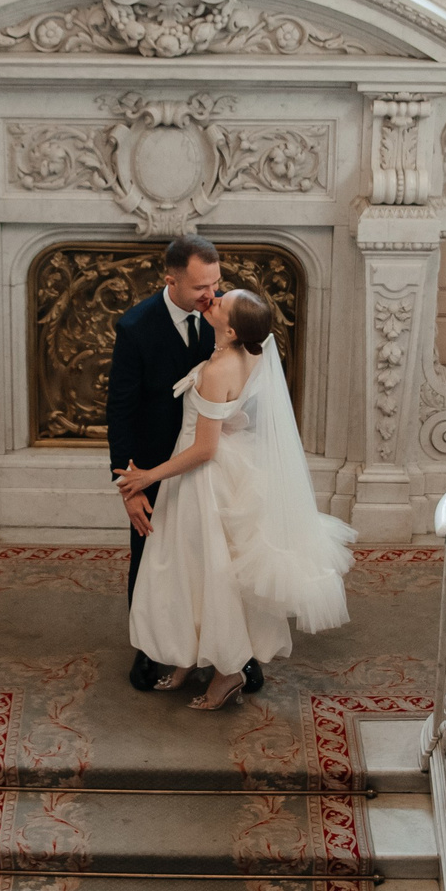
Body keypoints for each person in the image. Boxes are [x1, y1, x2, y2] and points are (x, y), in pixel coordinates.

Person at [116, 288, 355, 710]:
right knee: (193, 570)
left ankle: (226, 675)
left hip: (202, 479)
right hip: (226, 468)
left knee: (207, 573)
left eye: (222, 302)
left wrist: (147, 477)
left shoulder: (218, 369)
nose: (215, 298)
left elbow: (204, 449)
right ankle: (190, 657)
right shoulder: (255, 351)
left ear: (229, 328)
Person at [108, 236, 223, 691]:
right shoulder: (135, 327)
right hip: (155, 464)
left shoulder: (223, 315)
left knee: (218, 555)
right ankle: (149, 647)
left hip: (213, 459)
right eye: (200, 286)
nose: (211, 294)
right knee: (149, 557)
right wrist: (129, 488)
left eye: (215, 282)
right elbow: (120, 411)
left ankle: (234, 649)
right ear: (169, 280)